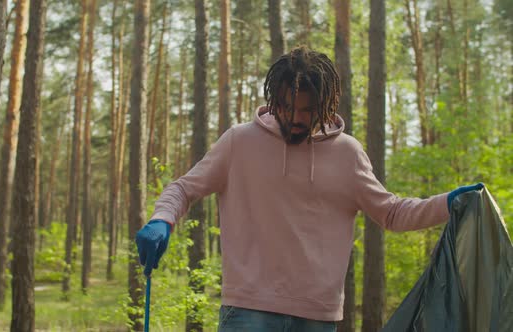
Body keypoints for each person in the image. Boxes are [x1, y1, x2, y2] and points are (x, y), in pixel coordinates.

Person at [135, 46, 483, 331]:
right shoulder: (239, 142)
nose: (296, 118)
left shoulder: (347, 154)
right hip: (247, 311)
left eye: (306, 109)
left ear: (325, 105)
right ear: (274, 101)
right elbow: (182, 189)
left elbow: (391, 212)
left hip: (318, 317)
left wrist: (449, 203)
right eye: (287, 107)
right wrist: (161, 220)